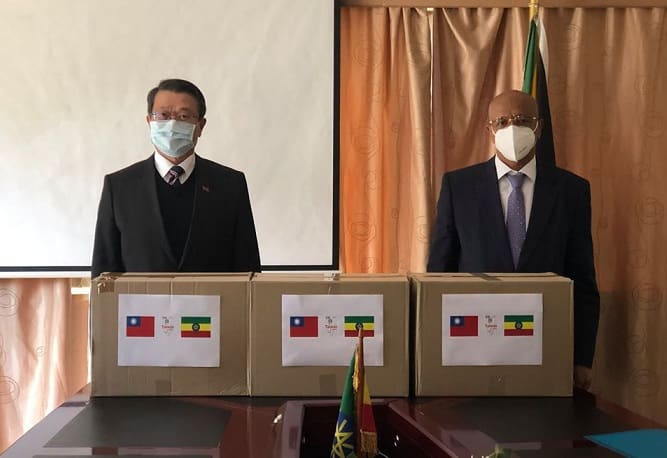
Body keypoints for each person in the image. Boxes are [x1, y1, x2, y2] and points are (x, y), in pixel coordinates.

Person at [427, 90, 599, 389]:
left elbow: (582, 278)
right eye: (502, 122)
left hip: (547, 344)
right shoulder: (459, 187)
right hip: (473, 344)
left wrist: (582, 358)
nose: (512, 128)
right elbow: (438, 276)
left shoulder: (571, 190)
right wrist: (432, 352)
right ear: (489, 130)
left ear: (538, 128)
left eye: (522, 120)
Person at [92, 78, 261, 277]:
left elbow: (248, 271)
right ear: (149, 122)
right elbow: (104, 274)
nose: (172, 124)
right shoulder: (119, 187)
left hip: (214, 298)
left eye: (184, 116)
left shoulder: (230, 185)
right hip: (142, 299)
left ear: (200, 126)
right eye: (163, 115)